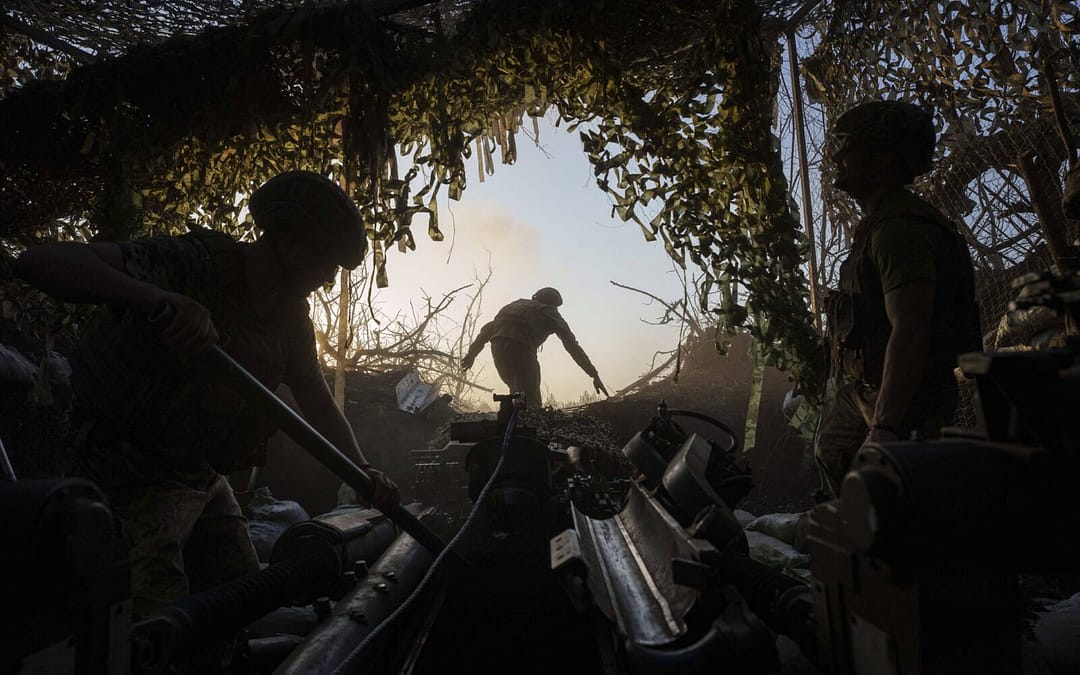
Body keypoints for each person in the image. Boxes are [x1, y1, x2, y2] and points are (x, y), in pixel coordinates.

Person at [15, 170, 400, 615]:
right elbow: (38, 262)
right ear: (291, 246)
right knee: (151, 617)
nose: (327, 280)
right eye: (325, 266)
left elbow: (315, 399)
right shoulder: (193, 264)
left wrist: (363, 469)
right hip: (123, 468)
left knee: (240, 597)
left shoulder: (289, 318)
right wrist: (157, 299)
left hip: (199, 473)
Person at [814, 101, 983, 497]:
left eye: (849, 147)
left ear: (882, 160)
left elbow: (911, 326)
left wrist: (885, 427)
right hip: (865, 387)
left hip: (905, 400)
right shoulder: (879, 227)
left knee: (898, 502)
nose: (838, 157)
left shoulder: (899, 231)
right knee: (837, 462)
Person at [461, 287, 608, 408]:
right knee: (531, 399)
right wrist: (593, 373)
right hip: (521, 350)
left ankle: (511, 430)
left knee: (516, 392)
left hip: (498, 350)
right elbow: (571, 345)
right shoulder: (549, 311)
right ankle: (530, 434)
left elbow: (487, 330)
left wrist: (472, 354)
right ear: (555, 304)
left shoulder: (513, 306)